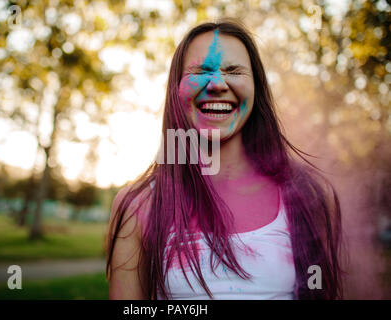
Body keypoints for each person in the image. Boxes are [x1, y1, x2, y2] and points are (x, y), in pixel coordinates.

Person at [106, 19, 344, 300]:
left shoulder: (310, 196)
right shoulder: (139, 206)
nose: (217, 84)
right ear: (175, 89)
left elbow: (320, 291)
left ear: (257, 87)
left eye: (234, 71)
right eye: (200, 71)